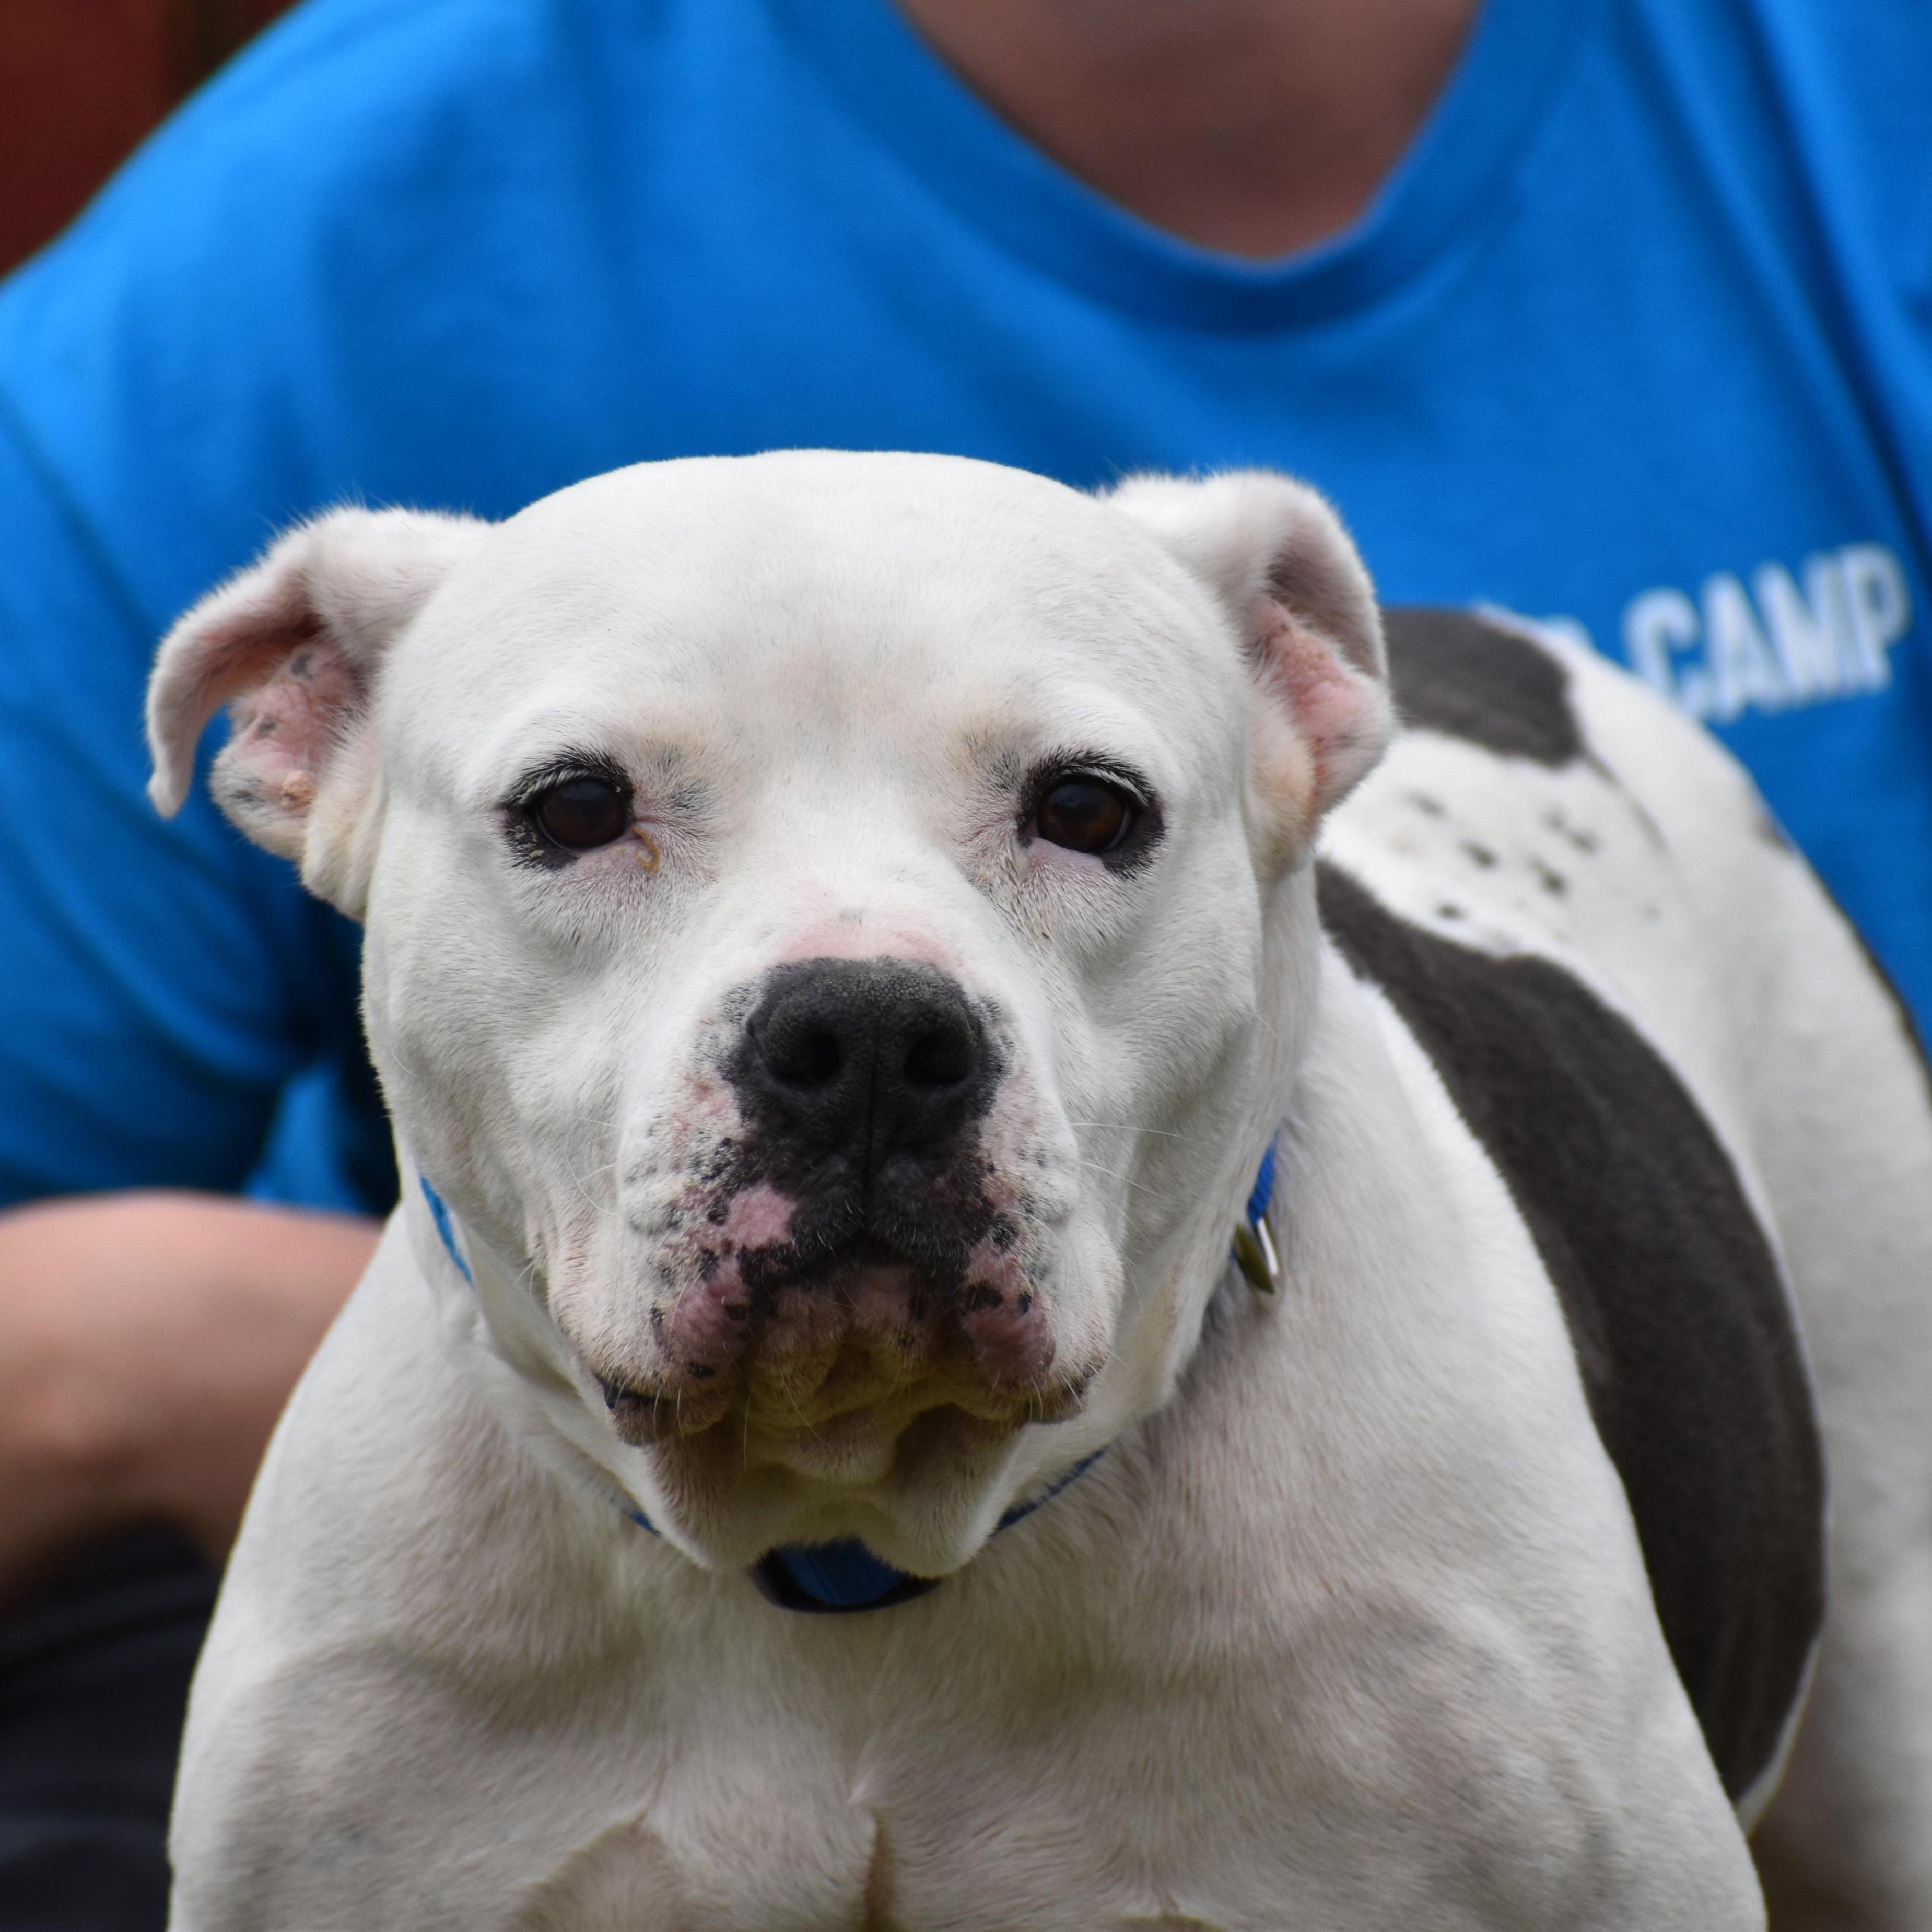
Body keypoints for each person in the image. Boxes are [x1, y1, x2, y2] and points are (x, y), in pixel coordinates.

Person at [0, 0, 1925, 1922]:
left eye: (1077, 815)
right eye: (583, 814)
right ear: (302, 748)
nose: (862, 1008)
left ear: (1303, 733)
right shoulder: (288, 244)